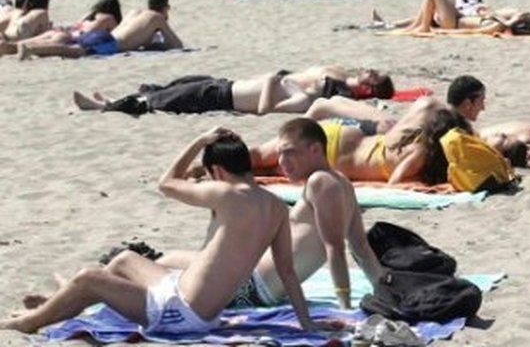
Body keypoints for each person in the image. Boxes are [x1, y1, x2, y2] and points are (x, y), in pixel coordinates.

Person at [0, 129, 317, 334]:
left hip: (180, 314)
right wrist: (307, 324)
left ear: (217, 172)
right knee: (124, 260)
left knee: (88, 277)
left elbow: (165, 183)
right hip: (187, 296)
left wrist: (198, 140)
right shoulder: (277, 207)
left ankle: (30, 322)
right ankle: (65, 303)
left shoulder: (225, 193)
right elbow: (287, 272)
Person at [227, 118, 383, 309]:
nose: (283, 162)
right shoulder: (342, 182)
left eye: (290, 152)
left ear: (316, 149)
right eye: (280, 154)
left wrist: (345, 305)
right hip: (254, 284)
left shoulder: (321, 182)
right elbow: (359, 246)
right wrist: (383, 288)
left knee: (190, 267)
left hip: (251, 289)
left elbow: (335, 248)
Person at [251, 95, 456, 185]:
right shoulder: (419, 154)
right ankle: (221, 154)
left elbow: (427, 103)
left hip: (342, 136)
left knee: (258, 161)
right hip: (334, 153)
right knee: (261, 163)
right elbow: (395, 184)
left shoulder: (410, 139)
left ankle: (221, 153)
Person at [74, 66, 395, 116]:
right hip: (225, 85)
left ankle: (101, 108)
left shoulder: (305, 98)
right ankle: (110, 101)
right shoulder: (306, 88)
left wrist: (271, 81)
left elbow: (266, 112)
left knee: (159, 101)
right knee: (175, 86)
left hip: (222, 97)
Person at [12, 0, 122, 59]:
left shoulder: (88, 16)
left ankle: (7, 46)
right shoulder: (109, 18)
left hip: (59, 31)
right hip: (71, 37)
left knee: (17, 45)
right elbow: (116, 36)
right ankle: (27, 49)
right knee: (41, 48)